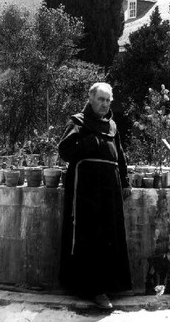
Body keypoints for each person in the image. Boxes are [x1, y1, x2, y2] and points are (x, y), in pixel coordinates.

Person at [58, 82, 132, 310]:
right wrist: (88, 143)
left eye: (108, 100)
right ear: (90, 98)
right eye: (101, 99)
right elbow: (65, 151)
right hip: (86, 189)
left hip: (110, 187)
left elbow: (120, 156)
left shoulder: (112, 125)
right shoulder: (78, 121)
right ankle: (93, 290)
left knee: (111, 233)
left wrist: (125, 182)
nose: (105, 104)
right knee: (90, 234)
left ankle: (111, 285)